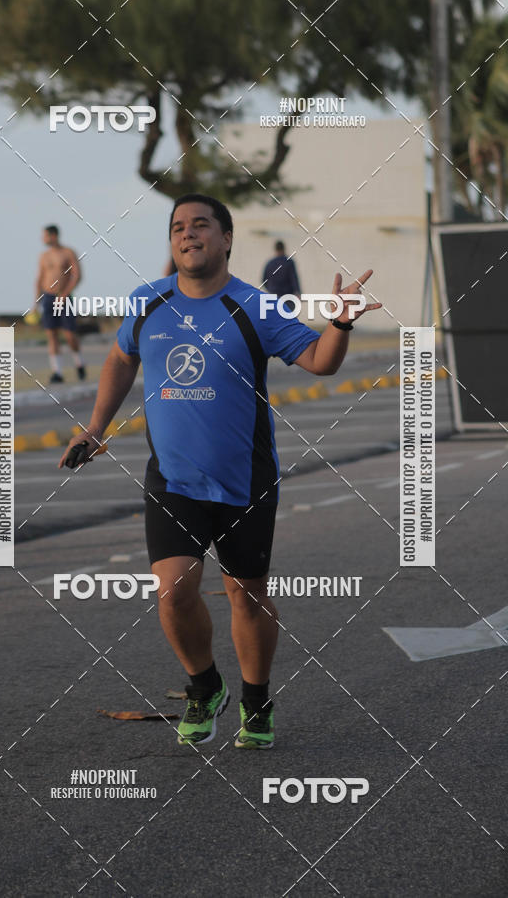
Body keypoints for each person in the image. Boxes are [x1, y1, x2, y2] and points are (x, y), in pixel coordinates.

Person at [59, 194, 381, 750]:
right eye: (178, 227)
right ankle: (205, 686)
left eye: (201, 225)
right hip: (173, 480)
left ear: (226, 239)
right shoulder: (147, 301)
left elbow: (320, 361)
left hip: (244, 479)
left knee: (246, 594)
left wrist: (340, 323)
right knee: (173, 592)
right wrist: (94, 427)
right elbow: (120, 357)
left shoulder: (257, 307)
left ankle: (257, 700)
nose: (188, 234)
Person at [35, 225, 84, 383]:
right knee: (52, 335)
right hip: (48, 297)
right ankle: (57, 372)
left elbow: (77, 275)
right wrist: (36, 301)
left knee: (69, 335)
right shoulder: (44, 256)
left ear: (54, 236)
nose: (43, 239)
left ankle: (79, 362)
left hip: (63, 297)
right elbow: (40, 278)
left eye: (45, 236)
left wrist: (64, 294)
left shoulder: (68, 253)